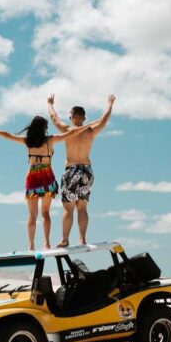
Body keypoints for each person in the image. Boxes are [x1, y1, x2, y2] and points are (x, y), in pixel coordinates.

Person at [0, 116, 91, 250]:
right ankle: (47, 243)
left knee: (32, 215)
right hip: (47, 177)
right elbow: (71, 133)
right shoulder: (50, 140)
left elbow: (7, 135)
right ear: (44, 128)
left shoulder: (28, 141)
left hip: (32, 177)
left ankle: (31, 245)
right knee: (45, 213)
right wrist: (88, 126)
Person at [47, 93, 115, 247]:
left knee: (68, 208)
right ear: (84, 118)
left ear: (71, 117)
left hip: (71, 169)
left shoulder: (67, 130)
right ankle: (82, 239)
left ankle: (65, 239)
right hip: (86, 170)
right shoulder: (90, 131)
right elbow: (104, 119)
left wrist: (50, 103)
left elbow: (54, 118)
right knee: (82, 207)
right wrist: (110, 104)